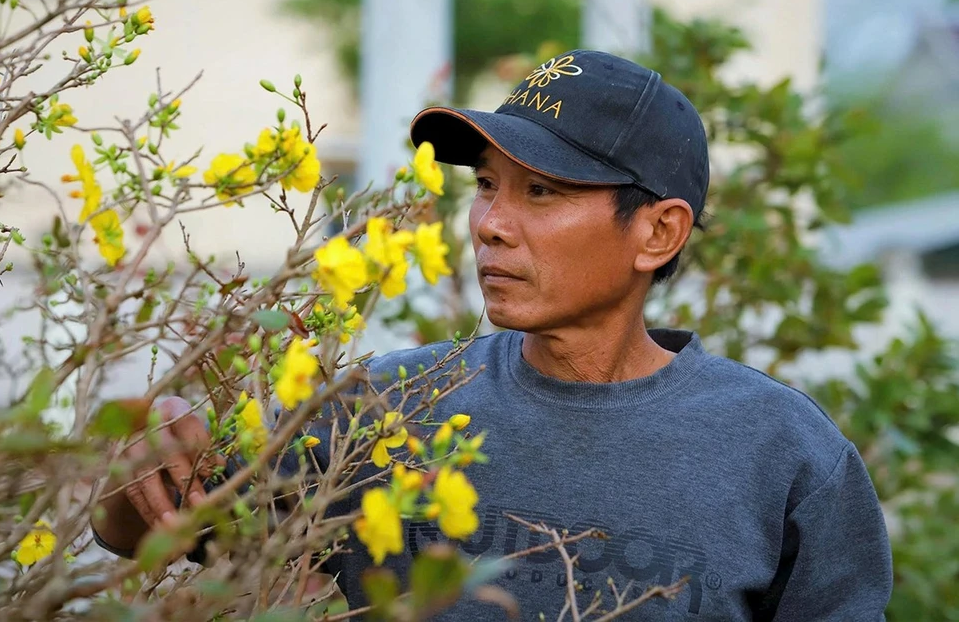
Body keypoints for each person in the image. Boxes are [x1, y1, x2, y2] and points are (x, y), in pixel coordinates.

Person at [93, 50, 893, 620]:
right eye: (485, 186)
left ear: (658, 232)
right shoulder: (388, 405)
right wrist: (138, 476)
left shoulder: (784, 453)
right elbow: (150, 528)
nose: (490, 225)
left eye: (540, 190)